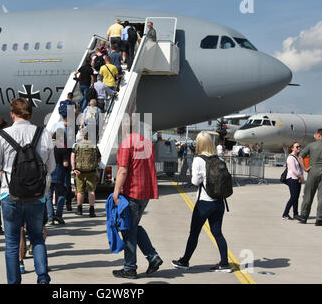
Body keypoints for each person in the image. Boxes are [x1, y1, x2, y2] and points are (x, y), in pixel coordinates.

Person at [0, 97, 55, 284]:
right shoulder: (44, 134)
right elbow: (51, 167)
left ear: (12, 114)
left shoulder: (2, 136)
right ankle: (42, 277)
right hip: (36, 195)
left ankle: (14, 281)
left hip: (10, 194)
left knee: (11, 243)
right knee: (37, 238)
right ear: (31, 114)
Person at [172, 131, 231, 273]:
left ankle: (184, 261)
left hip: (204, 202)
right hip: (219, 202)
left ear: (199, 144)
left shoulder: (199, 160)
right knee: (218, 233)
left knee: (194, 233)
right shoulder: (219, 159)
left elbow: (194, 181)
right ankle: (224, 263)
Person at [111, 117, 163, 279]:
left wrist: (116, 191)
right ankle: (152, 257)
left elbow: (123, 171)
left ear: (125, 129)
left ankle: (130, 268)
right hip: (145, 192)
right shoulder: (148, 144)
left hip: (131, 193)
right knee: (134, 227)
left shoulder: (127, 144)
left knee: (128, 230)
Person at [296, 129, 322, 226]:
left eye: (316, 134)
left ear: (319, 135)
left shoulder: (311, 145)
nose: (314, 135)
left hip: (313, 171)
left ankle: (304, 217)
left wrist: (305, 168)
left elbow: (300, 157)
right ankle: (320, 219)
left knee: (308, 195)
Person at [71, 131, 101, 217]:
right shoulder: (94, 146)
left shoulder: (77, 145)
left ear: (83, 136)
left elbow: (72, 157)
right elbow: (99, 158)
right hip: (91, 172)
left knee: (80, 191)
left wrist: (74, 169)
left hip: (80, 172)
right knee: (91, 191)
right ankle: (91, 211)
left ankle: (79, 210)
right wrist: (95, 165)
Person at [47, 130, 69, 225]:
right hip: (59, 172)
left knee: (48, 196)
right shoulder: (62, 146)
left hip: (48, 173)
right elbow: (65, 163)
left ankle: (50, 217)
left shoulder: (46, 146)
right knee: (61, 194)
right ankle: (58, 215)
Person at [282, 142, 303, 220]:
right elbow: (293, 170)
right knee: (293, 197)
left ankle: (295, 214)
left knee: (296, 197)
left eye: (299, 146)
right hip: (292, 179)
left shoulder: (297, 157)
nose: (299, 148)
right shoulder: (290, 157)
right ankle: (285, 214)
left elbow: (300, 168)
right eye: (297, 147)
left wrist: (301, 176)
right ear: (292, 148)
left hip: (297, 179)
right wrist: (300, 176)